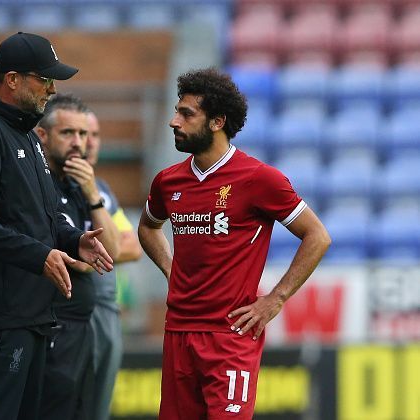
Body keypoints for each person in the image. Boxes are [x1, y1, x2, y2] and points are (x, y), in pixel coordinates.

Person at [138, 68, 331, 420]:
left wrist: (276, 298)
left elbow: (317, 235)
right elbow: (149, 227)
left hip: (230, 336)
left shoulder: (259, 179)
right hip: (178, 331)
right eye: (176, 111)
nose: (173, 121)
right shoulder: (167, 182)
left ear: (217, 121)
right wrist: (171, 269)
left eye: (186, 114)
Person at [0, 33, 113, 420]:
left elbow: (45, 216)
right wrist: (40, 256)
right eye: (45, 79)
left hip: (35, 313)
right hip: (3, 316)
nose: (52, 89)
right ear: (13, 79)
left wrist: (74, 241)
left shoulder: (26, 135)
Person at [35, 94, 120, 420]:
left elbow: (111, 249)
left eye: (84, 135)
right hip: (54, 323)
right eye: (68, 133)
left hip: (83, 327)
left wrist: (92, 194)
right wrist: (87, 258)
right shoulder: (39, 185)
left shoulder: (82, 186)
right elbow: (84, 262)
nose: (79, 143)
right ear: (44, 135)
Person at [85, 111, 142, 420]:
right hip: (67, 315)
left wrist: (87, 254)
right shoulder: (50, 185)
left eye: (95, 135)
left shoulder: (102, 189)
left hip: (106, 313)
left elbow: (131, 247)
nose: (89, 143)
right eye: (81, 134)